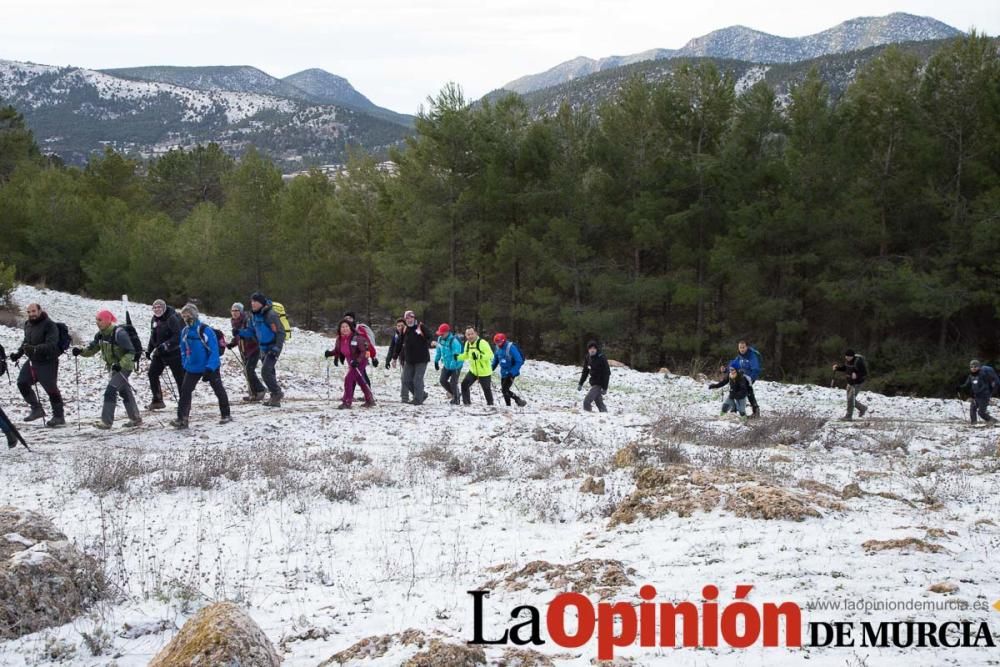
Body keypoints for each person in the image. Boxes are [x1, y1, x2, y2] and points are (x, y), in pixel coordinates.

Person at [72, 309, 142, 429]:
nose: (97, 322)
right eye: (97, 320)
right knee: (124, 391)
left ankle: (106, 422)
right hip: (114, 367)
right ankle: (135, 418)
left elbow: (131, 352)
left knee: (111, 389)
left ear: (108, 320)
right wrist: (81, 351)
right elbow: (92, 349)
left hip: (125, 366)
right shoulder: (100, 335)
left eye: (100, 320)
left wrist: (120, 364)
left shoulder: (119, 334)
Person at [171, 304, 231, 429]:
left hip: (209, 367)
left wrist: (210, 368)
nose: (186, 319)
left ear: (194, 315)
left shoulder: (205, 330)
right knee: (185, 391)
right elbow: (183, 349)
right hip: (192, 368)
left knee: (218, 389)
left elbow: (214, 351)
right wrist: (184, 364)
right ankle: (182, 419)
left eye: (188, 316)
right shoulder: (185, 331)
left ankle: (226, 414)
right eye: (184, 316)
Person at [10, 303, 65, 427]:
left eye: (33, 311)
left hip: (48, 361)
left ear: (40, 310)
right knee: (22, 383)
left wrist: (34, 349)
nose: (31, 314)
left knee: (51, 389)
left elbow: (52, 345)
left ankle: (59, 416)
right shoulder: (27, 324)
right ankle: (37, 409)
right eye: (29, 312)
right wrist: (18, 354)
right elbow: (26, 342)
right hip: (32, 361)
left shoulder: (50, 325)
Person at [324, 319, 375, 409]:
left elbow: (363, 352)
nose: (344, 329)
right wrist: (330, 353)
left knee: (348, 379)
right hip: (352, 363)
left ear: (350, 328)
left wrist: (358, 361)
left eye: (346, 327)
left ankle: (347, 402)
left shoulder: (357, 338)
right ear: (339, 329)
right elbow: (337, 350)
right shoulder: (340, 339)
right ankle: (369, 399)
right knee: (360, 380)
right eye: (342, 327)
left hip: (361, 361)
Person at [144, 299, 184, 410]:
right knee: (152, 373)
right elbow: (153, 336)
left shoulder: (172, 318)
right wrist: (149, 350)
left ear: (164, 308)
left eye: (159, 307)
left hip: (174, 352)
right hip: (160, 353)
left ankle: (184, 401)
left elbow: (178, 336)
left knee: (179, 378)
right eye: (155, 308)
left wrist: (166, 345)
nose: (157, 310)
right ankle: (157, 400)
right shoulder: (154, 319)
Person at [249, 292, 285, 407]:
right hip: (263, 348)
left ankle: (277, 393)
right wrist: (240, 333)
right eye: (252, 301)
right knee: (270, 372)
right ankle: (275, 399)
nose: (253, 303)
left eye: (256, 301)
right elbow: (252, 331)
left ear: (262, 303)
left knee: (265, 371)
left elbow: (281, 332)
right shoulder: (254, 315)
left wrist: (276, 347)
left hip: (273, 347)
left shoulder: (271, 315)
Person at [227, 303, 267, 402]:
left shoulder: (248, 320)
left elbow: (251, 334)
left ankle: (261, 390)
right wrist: (232, 343)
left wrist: (239, 333)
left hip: (254, 348)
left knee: (249, 370)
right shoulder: (234, 322)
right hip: (244, 350)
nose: (234, 313)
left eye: (236, 310)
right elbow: (238, 336)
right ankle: (253, 394)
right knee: (247, 371)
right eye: (233, 310)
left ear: (241, 311)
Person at [400, 310, 431, 405]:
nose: (409, 320)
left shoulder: (420, 327)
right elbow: (399, 343)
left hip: (421, 359)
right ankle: (422, 394)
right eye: (407, 318)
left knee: (417, 379)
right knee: (406, 380)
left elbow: (430, 336)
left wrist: (432, 342)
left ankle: (418, 400)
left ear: (414, 318)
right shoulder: (405, 329)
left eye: (411, 318)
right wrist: (394, 356)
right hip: (409, 360)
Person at [458, 325, 494, 406]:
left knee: (486, 389)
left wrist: (479, 356)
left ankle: (490, 404)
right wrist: (457, 357)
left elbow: (491, 355)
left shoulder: (482, 343)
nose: (470, 336)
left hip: (484, 371)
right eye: (468, 334)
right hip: (473, 371)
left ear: (476, 334)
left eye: (472, 334)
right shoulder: (467, 343)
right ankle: (466, 403)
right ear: (466, 335)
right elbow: (466, 355)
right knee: (464, 385)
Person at [724, 340, 761, 418]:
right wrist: (725, 369)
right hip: (742, 377)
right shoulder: (740, 356)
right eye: (740, 348)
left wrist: (750, 378)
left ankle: (751, 411)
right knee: (744, 391)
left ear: (746, 347)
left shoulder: (752, 355)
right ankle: (753, 410)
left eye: (743, 347)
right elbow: (733, 365)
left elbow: (756, 368)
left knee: (744, 390)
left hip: (751, 376)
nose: (742, 349)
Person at [491, 333, 527, 407]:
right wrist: (490, 369)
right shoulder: (497, 348)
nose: (498, 344)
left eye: (499, 342)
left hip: (511, 372)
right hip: (503, 372)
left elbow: (519, 361)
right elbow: (496, 360)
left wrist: (512, 372)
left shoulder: (511, 347)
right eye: (496, 342)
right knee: (504, 390)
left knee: (504, 389)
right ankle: (508, 405)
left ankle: (518, 400)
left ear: (503, 340)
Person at [958, 359, 998, 426]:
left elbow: (984, 386)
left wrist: (977, 392)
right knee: (972, 409)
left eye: (975, 367)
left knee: (981, 412)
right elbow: (967, 384)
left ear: (979, 367)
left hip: (984, 396)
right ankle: (974, 423)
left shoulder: (982, 375)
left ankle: (992, 420)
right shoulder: (971, 376)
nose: (973, 368)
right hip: (976, 396)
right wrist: (959, 387)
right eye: (971, 367)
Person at [832, 349, 868, 421]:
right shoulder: (847, 361)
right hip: (849, 382)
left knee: (850, 399)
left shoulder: (858, 362)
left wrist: (857, 375)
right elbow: (845, 368)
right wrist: (837, 368)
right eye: (846, 356)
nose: (847, 358)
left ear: (853, 356)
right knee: (850, 399)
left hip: (857, 383)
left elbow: (864, 373)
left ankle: (848, 416)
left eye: (849, 356)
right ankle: (862, 408)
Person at [434, 323, 463, 405]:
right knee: (442, 380)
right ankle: (456, 393)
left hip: (456, 365)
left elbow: (456, 355)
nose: (441, 335)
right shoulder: (440, 339)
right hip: (446, 364)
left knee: (453, 382)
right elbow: (439, 351)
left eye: (442, 334)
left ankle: (456, 400)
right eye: (440, 333)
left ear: (447, 332)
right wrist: (436, 361)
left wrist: (453, 365)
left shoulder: (454, 341)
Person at [577, 340, 610, 413]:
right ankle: (605, 415)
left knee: (586, 401)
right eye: (590, 348)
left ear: (596, 349)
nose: (592, 350)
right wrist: (580, 383)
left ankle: (587, 415)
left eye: (594, 348)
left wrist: (605, 387)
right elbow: (585, 372)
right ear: (588, 350)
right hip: (593, 382)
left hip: (599, 383)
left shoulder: (601, 357)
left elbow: (607, 373)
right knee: (599, 403)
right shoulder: (588, 357)